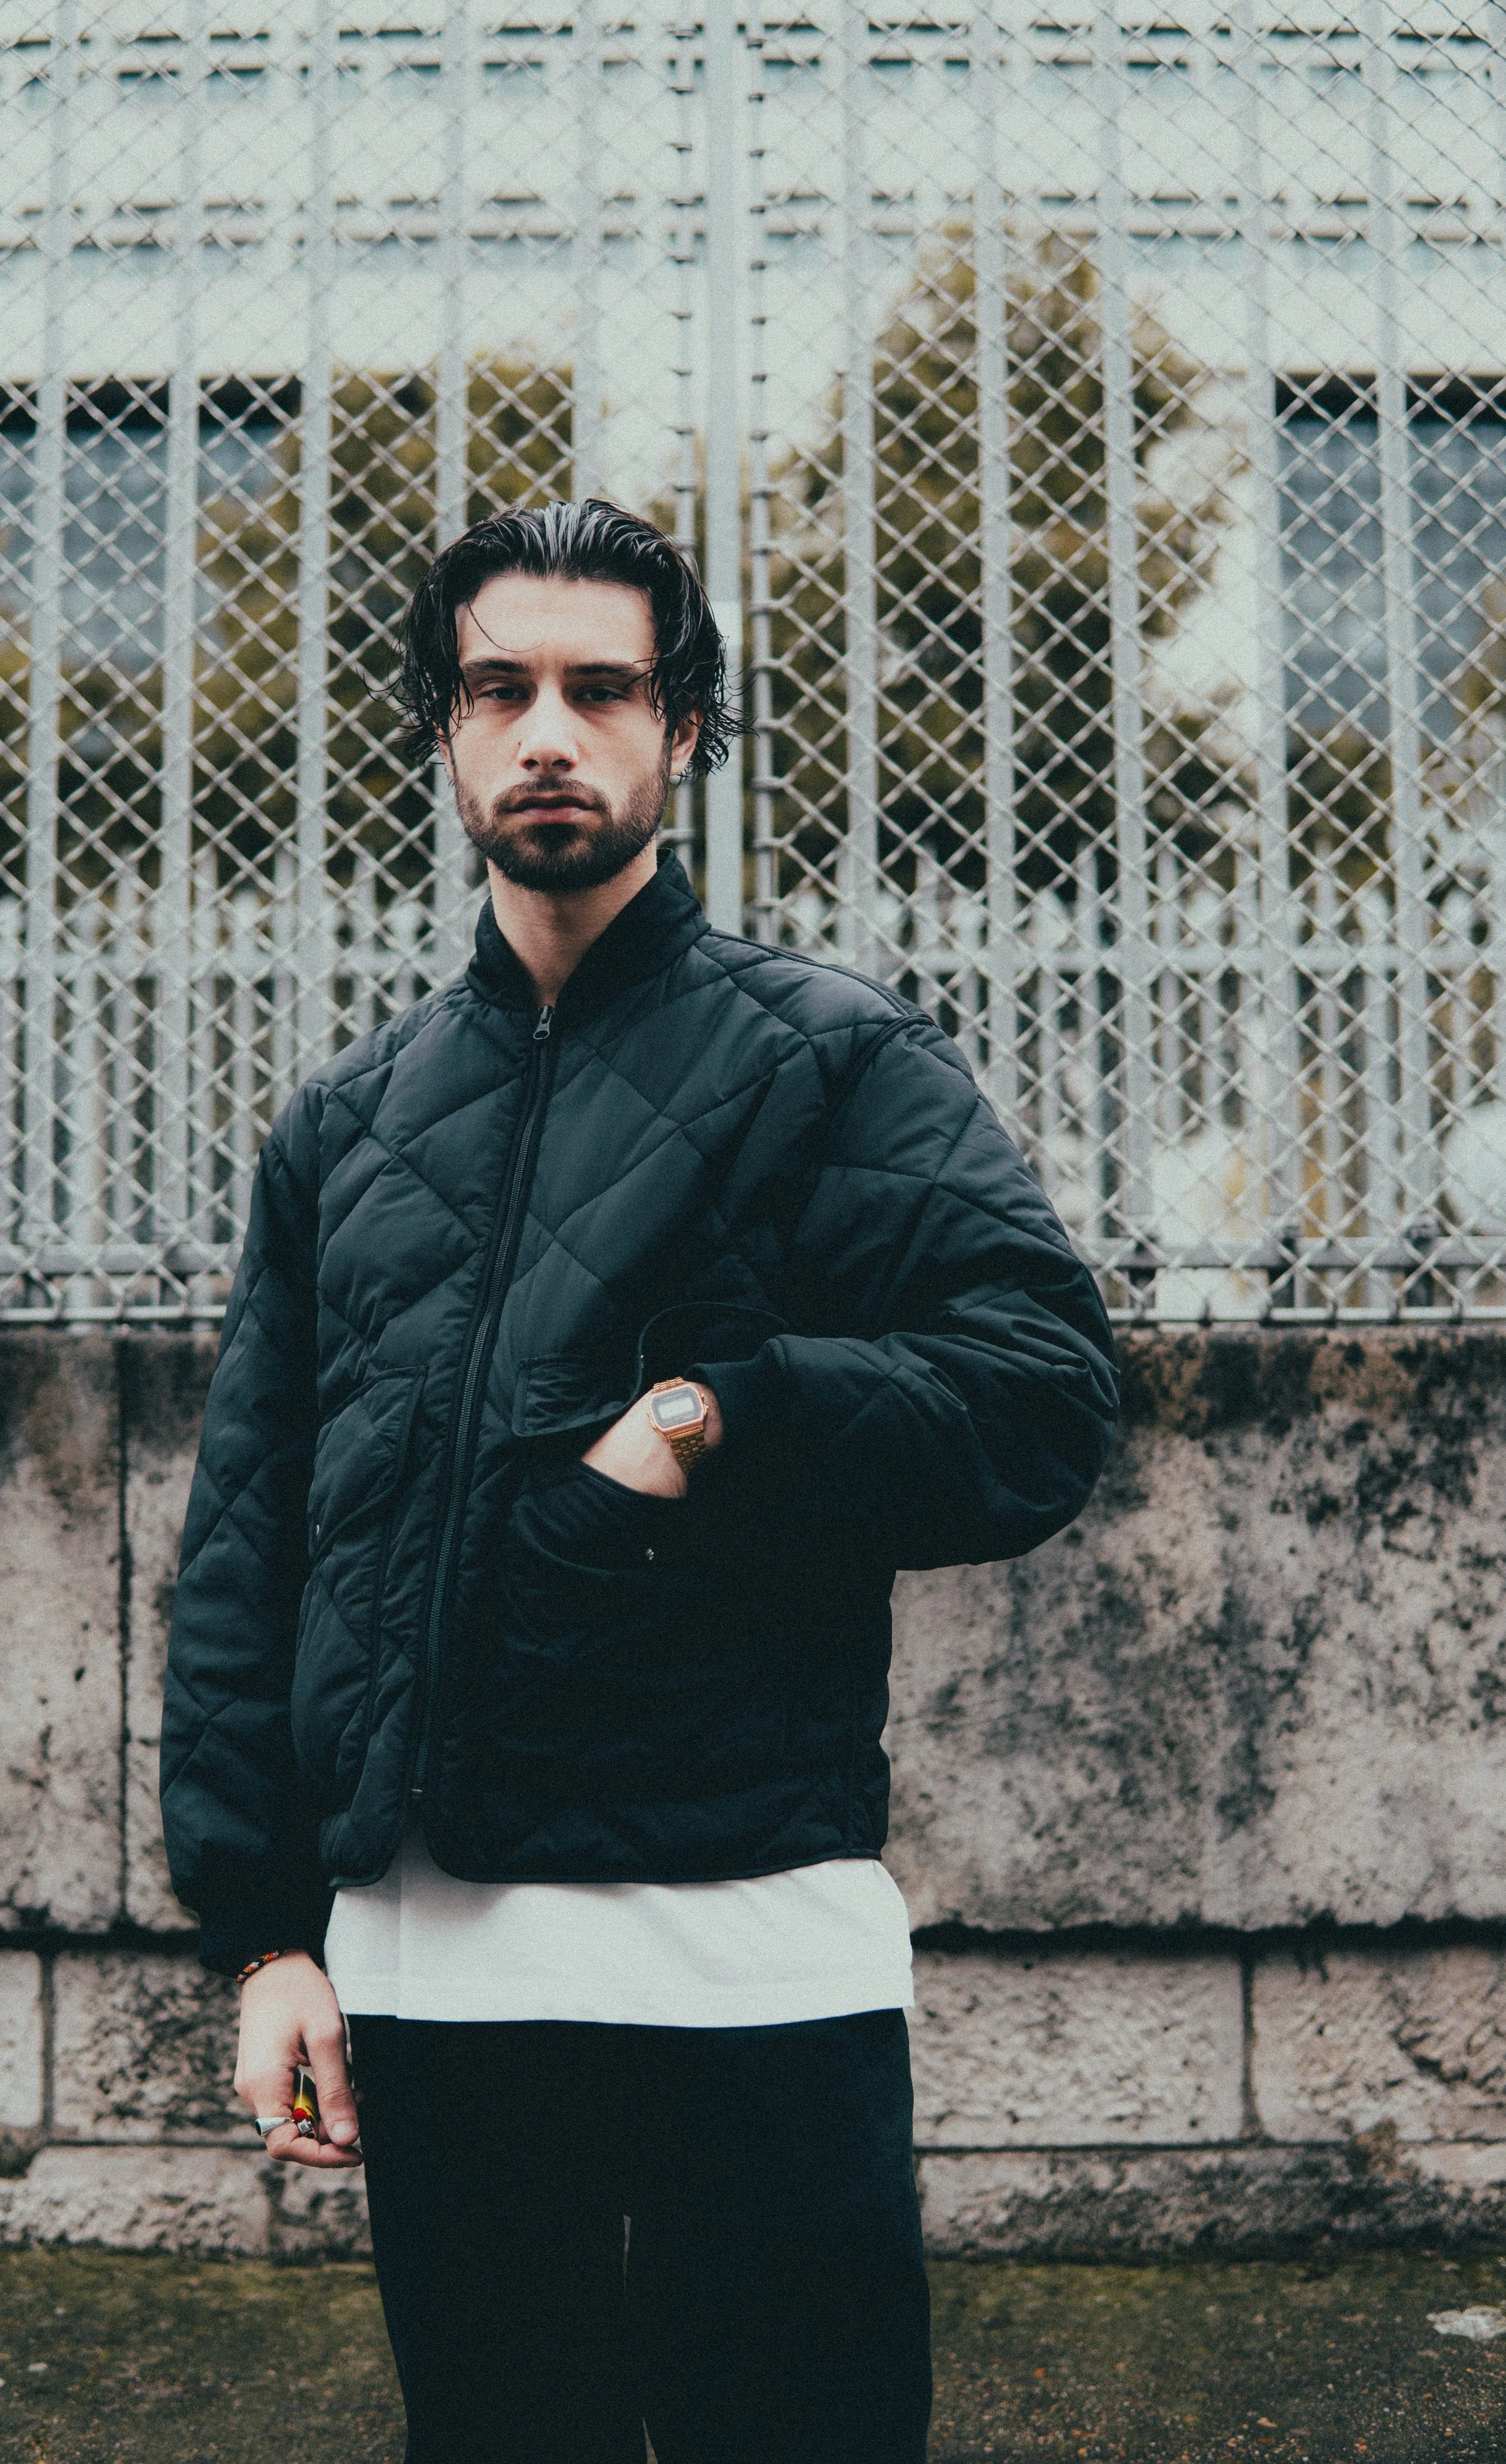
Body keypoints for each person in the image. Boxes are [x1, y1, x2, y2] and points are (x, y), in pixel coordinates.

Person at [160, 497, 1118, 2463]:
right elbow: (252, 1537)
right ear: (443, 728)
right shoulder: (348, 1125)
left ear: (682, 732)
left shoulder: (829, 1061)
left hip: (745, 1948)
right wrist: (265, 1937)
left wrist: (707, 1418)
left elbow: (1037, 1394)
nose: (548, 735)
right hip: (433, 1967)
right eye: (499, 688)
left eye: (601, 690)